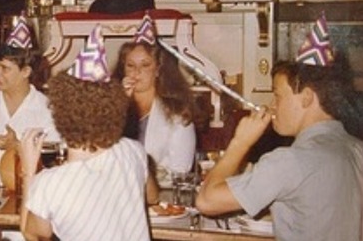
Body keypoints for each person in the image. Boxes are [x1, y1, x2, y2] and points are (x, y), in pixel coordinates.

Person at [196, 60, 363, 240]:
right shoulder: (357, 149)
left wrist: (240, 142)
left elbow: (206, 201)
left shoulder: (291, 160)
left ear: (307, 97)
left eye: (277, 96)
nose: (272, 105)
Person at [19, 72, 156, 241]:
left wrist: (29, 171)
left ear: (59, 116)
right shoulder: (132, 150)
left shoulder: (51, 184)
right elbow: (152, 196)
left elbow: (32, 235)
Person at [112, 41, 196, 177]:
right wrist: (119, 102)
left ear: (158, 70)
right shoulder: (110, 108)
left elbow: (181, 169)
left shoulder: (176, 114)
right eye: (130, 65)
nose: (136, 71)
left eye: (145, 65)